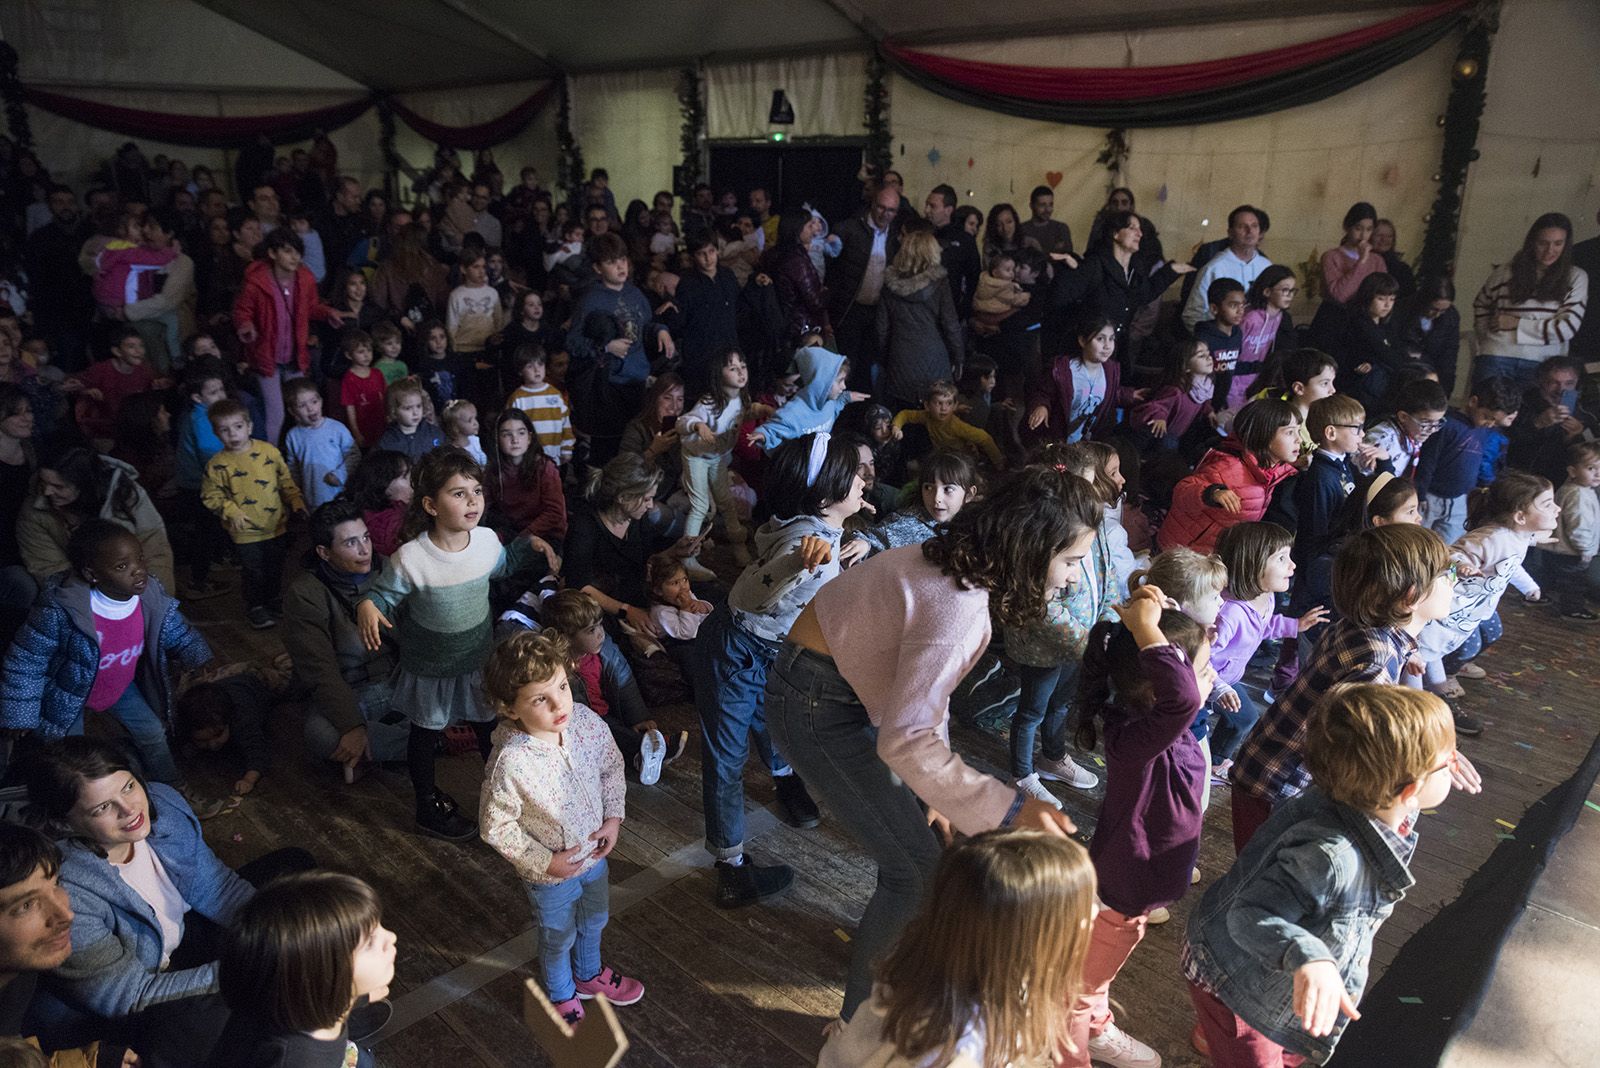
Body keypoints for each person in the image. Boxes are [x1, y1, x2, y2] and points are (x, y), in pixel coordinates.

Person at [765, 466, 1088, 1020]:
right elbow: (909, 735)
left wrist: (938, 794)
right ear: (1031, 549)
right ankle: (857, 1033)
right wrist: (1010, 809)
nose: (1074, 579)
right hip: (819, 703)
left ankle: (883, 970)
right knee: (915, 874)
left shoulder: (951, 562)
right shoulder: (959, 605)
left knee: (916, 856)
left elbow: (920, 698)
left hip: (827, 688)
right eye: (1071, 561)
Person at [1186, 686, 1457, 1067]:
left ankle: (1218, 1033)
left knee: (1278, 1037)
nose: (1455, 762)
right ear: (1410, 790)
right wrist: (1309, 959)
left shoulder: (1357, 789)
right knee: (1251, 1049)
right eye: (1448, 760)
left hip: (1260, 974)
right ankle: (1222, 1032)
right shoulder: (1330, 856)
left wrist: (1432, 759)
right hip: (1232, 979)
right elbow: (1249, 914)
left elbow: (1394, 773)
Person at [22, 738, 313, 1028]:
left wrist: (281, 930)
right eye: (103, 808)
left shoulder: (162, 803)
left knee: (293, 869)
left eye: (128, 787)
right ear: (63, 823)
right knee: (236, 1015)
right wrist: (247, 968)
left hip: (179, 932)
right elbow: (128, 994)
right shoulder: (64, 894)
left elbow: (217, 887)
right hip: (142, 981)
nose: (130, 809)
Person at [1229, 525, 1480, 851]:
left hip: (1266, 768)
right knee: (1262, 875)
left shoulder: (1365, 628)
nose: (1454, 582)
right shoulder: (1375, 660)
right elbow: (1362, 743)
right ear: (1412, 597)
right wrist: (1430, 755)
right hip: (1281, 788)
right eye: (1447, 575)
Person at [694, 434, 867, 907]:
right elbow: (752, 594)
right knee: (726, 758)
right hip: (736, 649)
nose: (863, 479)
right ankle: (732, 869)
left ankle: (784, 777)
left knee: (773, 721)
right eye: (853, 473)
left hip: (773, 648)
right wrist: (796, 563)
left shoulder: (817, 525)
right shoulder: (803, 543)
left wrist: (860, 542)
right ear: (824, 494)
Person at [1061, 585, 1215, 1068]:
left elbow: (1181, 696)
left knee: (1095, 978)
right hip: (1121, 894)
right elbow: (1183, 698)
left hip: (1133, 891)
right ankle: (1072, 1051)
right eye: (1202, 670)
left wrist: (1156, 620)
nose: (1210, 676)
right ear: (1156, 689)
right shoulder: (1136, 741)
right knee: (1077, 992)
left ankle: (1096, 1025)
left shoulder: (1158, 728)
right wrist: (1147, 629)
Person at [357, 448, 544, 841]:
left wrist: (531, 546)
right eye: (458, 493)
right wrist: (368, 606)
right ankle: (427, 806)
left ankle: (506, 796)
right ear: (430, 505)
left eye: (476, 491)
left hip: (476, 660)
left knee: (489, 729)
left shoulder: (486, 540)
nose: (473, 501)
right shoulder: (411, 558)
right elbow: (383, 594)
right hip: (430, 668)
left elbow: (502, 565)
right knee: (424, 735)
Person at [819, 830, 1096, 1068]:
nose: (1094, 914)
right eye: (1080, 912)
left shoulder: (934, 953)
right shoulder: (956, 1047)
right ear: (1022, 940)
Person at [478, 630, 644, 1025]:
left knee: (594, 919)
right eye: (540, 699)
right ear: (509, 708)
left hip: (594, 857)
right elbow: (496, 826)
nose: (560, 705)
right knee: (558, 936)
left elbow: (611, 767)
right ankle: (561, 993)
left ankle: (588, 975)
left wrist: (613, 818)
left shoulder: (584, 722)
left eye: (562, 687)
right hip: (549, 877)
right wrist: (545, 862)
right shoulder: (511, 763)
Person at [2, 520, 219, 816]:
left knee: (153, 733)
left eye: (139, 558)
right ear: (92, 574)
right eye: (122, 566)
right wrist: (19, 712)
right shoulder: (62, 609)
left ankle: (174, 788)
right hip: (69, 692)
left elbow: (173, 628)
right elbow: (27, 658)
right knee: (74, 758)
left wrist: (197, 654)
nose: (138, 570)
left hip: (118, 684)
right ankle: (84, 813)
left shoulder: (150, 596)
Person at [1412, 472, 1557, 729]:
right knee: (1429, 653)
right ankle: (1434, 699)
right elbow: (1451, 554)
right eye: (1547, 504)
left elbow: (1510, 564)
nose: (1557, 508)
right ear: (1520, 517)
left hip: (1474, 609)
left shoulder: (1518, 535)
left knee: (1489, 633)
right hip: (1445, 612)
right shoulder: (1492, 538)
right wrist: (1462, 565)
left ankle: (1441, 678)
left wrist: (1530, 587)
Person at [211, 871, 396, 1068]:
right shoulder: (296, 1061)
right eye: (369, 942)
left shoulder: (288, 998)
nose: (391, 937)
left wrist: (358, 996)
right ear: (321, 979)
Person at [283, 501, 408, 781]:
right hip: (352, 690)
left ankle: (373, 750)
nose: (365, 549)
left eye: (366, 537)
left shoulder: (388, 568)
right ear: (324, 552)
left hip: (400, 678)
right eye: (351, 543)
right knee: (320, 734)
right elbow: (320, 671)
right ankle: (425, 742)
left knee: (456, 696)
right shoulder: (306, 594)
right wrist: (352, 726)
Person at [1207, 523, 1327, 776]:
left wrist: (1295, 625)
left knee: (1244, 718)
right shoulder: (1229, 613)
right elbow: (1200, 656)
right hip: (1207, 681)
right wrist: (1219, 688)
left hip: (1229, 678)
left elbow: (1261, 627)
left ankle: (1215, 760)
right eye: (1282, 558)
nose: (1293, 565)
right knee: (1198, 724)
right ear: (1253, 563)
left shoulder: (1265, 597)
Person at [538, 589, 686, 783]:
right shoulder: (557, 670)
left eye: (600, 624)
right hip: (587, 725)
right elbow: (575, 715)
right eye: (591, 630)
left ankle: (641, 754)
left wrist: (638, 718)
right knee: (609, 732)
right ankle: (645, 749)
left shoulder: (605, 649)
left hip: (609, 711)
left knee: (618, 730)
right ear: (566, 638)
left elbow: (624, 681)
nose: (600, 633)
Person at [231, 227, 344, 445]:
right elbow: (242, 311)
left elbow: (311, 307)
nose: (295, 257)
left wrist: (327, 312)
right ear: (272, 253)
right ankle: (270, 457)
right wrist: (246, 325)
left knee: (303, 408)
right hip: (267, 356)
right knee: (276, 414)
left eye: (297, 252)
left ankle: (307, 450)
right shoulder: (256, 281)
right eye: (288, 251)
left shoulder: (305, 278)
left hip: (295, 356)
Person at [201, 399, 307, 629]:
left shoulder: (269, 451)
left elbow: (285, 480)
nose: (233, 434)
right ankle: (255, 606)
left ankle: (273, 599)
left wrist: (296, 500)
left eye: (238, 426)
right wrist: (231, 510)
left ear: (249, 426)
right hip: (245, 532)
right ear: (216, 433)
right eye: (224, 430)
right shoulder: (217, 465)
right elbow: (211, 496)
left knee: (275, 567)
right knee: (253, 571)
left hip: (276, 525)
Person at [0, 823, 98, 1066]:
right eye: (26, 905)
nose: (66, 915)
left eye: (56, 884)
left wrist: (89, 1059)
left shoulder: (18, 968)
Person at [17, 446, 176, 593]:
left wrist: (153, 598)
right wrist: (95, 603)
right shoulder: (35, 511)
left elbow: (156, 550)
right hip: (80, 596)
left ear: (83, 484)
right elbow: (48, 568)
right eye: (43, 483)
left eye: (59, 487)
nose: (47, 492)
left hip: (139, 589)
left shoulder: (125, 493)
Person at [1159, 399, 1302, 554]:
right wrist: (1212, 493)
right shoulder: (1229, 468)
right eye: (1290, 432)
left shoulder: (1270, 473)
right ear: (1263, 435)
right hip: (1181, 552)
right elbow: (1182, 490)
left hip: (1210, 556)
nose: (1299, 440)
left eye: (1299, 431)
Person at [1472, 212, 1588, 391]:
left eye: (1558, 243)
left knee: (1532, 409)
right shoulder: (1506, 272)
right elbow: (1481, 304)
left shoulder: (1575, 277)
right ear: (1532, 242)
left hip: (1544, 362)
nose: (1550, 250)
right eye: (1543, 243)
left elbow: (1565, 329)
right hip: (1497, 354)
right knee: (1484, 407)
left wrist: (1516, 323)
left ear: (1566, 245)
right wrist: (1487, 336)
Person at [678, 349, 767, 575]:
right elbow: (683, 421)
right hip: (696, 456)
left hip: (716, 457)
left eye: (743, 366)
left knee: (726, 502)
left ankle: (739, 547)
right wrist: (698, 425)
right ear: (719, 374)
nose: (741, 372)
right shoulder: (709, 402)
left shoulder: (741, 399)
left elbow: (744, 413)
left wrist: (763, 410)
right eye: (733, 368)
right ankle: (688, 557)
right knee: (701, 505)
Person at [1414, 378, 1521, 547]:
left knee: (1449, 548)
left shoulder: (1484, 430)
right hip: (1431, 497)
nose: (1490, 424)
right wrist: (1420, 494)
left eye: (1495, 421)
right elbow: (1428, 461)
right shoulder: (1447, 425)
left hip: (1460, 501)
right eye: (1487, 417)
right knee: (1417, 541)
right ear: (1473, 402)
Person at [875, 226, 963, 413]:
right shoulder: (940, 284)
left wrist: (887, 358)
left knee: (902, 419)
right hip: (935, 359)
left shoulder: (889, 285)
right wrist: (959, 358)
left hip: (900, 358)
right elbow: (951, 325)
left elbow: (882, 329)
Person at [1026, 314, 1141, 446]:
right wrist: (1041, 406)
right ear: (1082, 341)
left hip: (1085, 441)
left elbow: (1110, 393)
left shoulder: (1111, 370)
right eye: (1100, 339)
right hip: (1057, 437)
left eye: (1111, 339)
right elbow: (1043, 392)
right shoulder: (1062, 369)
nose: (1107, 346)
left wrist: (1129, 395)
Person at [827, 185, 902, 388]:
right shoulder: (851, 228)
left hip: (877, 310)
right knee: (845, 364)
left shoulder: (896, 236)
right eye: (881, 207)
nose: (885, 214)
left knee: (866, 367)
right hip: (850, 307)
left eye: (891, 210)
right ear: (873, 204)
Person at [1506, 355, 1597, 486]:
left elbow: (1590, 457)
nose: (1561, 389)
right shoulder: (1521, 403)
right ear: (1541, 381)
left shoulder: (1584, 412)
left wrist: (1575, 437)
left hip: (1562, 482)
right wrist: (1537, 423)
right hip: (1522, 477)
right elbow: (1506, 442)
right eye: (1553, 382)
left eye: (1569, 383)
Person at [1184, 205, 1272, 330]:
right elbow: (1193, 314)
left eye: (1254, 226)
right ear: (1230, 233)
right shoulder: (1215, 267)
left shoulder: (1267, 266)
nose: (1250, 231)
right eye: (1242, 226)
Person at [1542, 440, 1600, 621]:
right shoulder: (1578, 494)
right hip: (1571, 550)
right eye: (1591, 468)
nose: (1598, 473)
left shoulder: (1574, 488)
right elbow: (1578, 527)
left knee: (1549, 575)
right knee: (1574, 583)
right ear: (1573, 471)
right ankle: (1572, 610)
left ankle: (1538, 595)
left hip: (1558, 547)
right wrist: (1586, 549)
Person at [674, 232, 741, 388]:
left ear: (717, 251)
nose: (708, 258)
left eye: (711, 251)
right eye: (701, 253)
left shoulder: (727, 276)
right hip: (701, 353)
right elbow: (682, 322)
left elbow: (739, 308)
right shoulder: (687, 284)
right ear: (693, 256)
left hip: (728, 347)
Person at [284, 378, 358, 510]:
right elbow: (293, 469)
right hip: (311, 499)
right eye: (302, 406)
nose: (310, 408)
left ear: (321, 401)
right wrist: (296, 495)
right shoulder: (292, 436)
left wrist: (340, 475)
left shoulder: (337, 428)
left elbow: (354, 455)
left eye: (314, 401)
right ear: (292, 411)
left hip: (339, 496)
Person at [1394, 274, 1463, 396]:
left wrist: (1444, 393)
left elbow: (1449, 357)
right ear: (1424, 300)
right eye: (1434, 309)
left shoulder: (1451, 317)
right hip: (1402, 367)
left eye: (1443, 311)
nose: (1437, 314)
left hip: (1433, 369)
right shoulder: (1402, 309)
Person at [1319, 202, 1383, 305]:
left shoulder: (1377, 260)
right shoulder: (1331, 257)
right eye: (1358, 229)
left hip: (1364, 313)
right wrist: (1361, 261)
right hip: (1335, 313)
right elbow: (1340, 295)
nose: (1363, 235)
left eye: (1369, 229)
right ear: (1347, 227)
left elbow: (1382, 294)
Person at [375, 377, 444, 465]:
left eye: (418, 406)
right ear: (394, 412)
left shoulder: (435, 433)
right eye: (408, 408)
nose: (415, 412)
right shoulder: (387, 442)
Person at [338, 331, 388, 449]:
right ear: (349, 355)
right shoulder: (349, 379)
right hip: (363, 426)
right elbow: (349, 407)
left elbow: (385, 396)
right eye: (361, 352)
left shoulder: (377, 373)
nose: (367, 355)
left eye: (369, 351)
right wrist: (356, 431)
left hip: (381, 422)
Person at [1019, 185, 1073, 257]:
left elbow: (1069, 258)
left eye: (1050, 204)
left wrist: (1037, 248)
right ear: (1031, 206)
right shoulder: (1021, 230)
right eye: (1042, 205)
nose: (1048, 209)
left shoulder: (1061, 228)